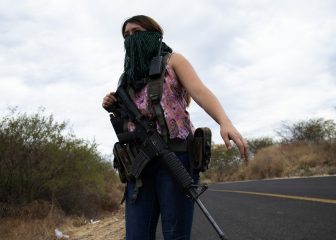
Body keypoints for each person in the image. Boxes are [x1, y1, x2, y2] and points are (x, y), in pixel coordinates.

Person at [102, 15, 248, 240]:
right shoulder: (126, 78)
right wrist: (112, 103)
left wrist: (224, 121)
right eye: (126, 35)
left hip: (175, 157)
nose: (131, 38)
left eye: (137, 32)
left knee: (175, 235)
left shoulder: (173, 61)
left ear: (153, 34)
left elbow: (199, 91)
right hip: (139, 166)